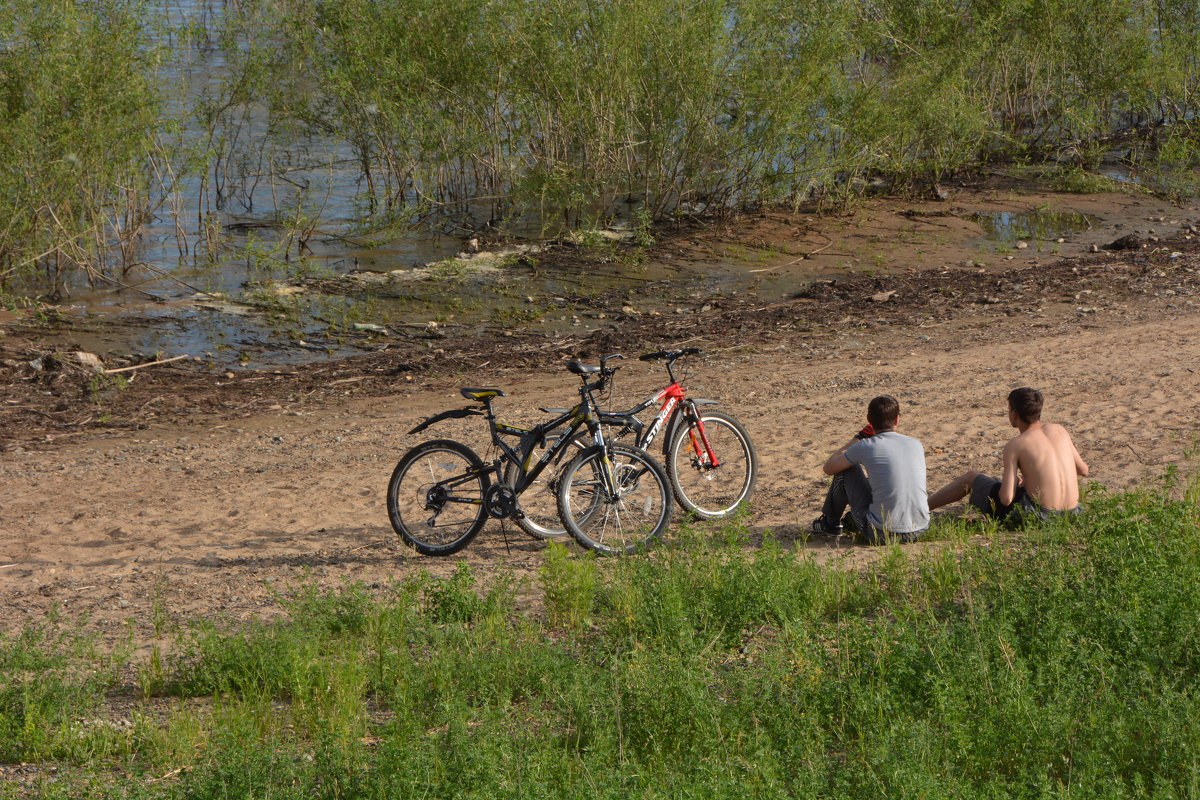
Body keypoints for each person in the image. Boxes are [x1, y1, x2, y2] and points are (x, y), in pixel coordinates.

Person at [928, 387, 1088, 523]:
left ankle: (922, 508)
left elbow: (1006, 498)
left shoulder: (1016, 444)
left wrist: (1013, 484)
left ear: (1014, 413)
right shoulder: (1059, 430)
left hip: (1039, 516)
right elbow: (1083, 470)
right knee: (1008, 483)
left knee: (972, 477)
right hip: (1072, 513)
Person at [811, 395, 929, 544]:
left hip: (881, 533)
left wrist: (857, 439)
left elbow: (829, 468)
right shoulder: (916, 444)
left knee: (846, 470)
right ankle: (848, 521)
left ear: (869, 419)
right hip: (919, 528)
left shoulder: (866, 445)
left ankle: (830, 523)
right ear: (897, 419)